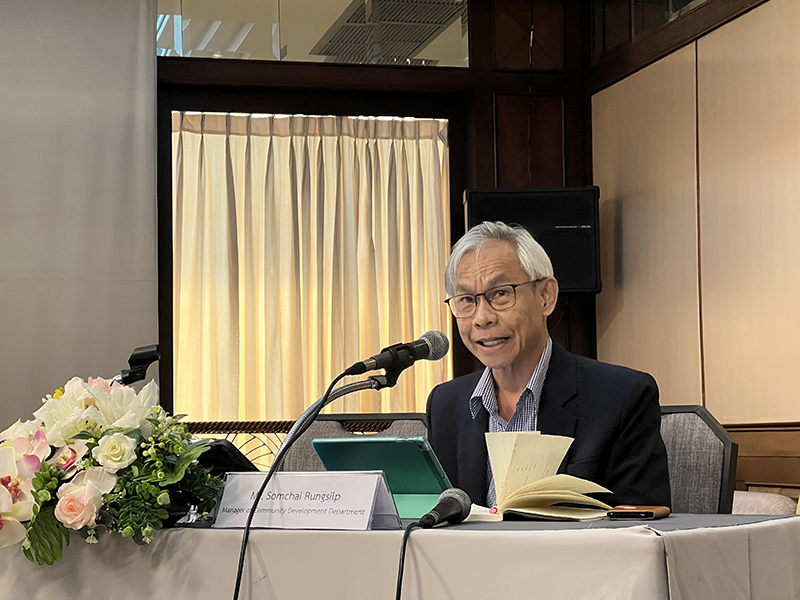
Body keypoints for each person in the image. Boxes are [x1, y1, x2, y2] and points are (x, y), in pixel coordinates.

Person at [426, 221, 671, 508]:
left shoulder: (622, 397)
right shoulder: (445, 405)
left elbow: (640, 523)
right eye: (467, 299)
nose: (482, 318)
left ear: (546, 296)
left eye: (500, 293)